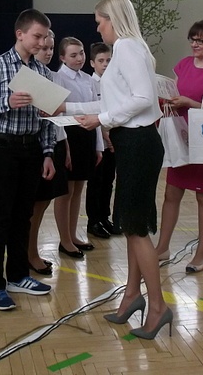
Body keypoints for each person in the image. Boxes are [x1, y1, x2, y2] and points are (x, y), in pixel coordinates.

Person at [62, 0, 173, 339]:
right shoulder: (130, 48)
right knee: (129, 225)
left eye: (100, 22)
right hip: (131, 143)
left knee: (136, 229)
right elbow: (113, 101)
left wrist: (103, 120)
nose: (98, 28)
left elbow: (142, 99)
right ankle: (131, 295)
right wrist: (69, 109)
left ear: (114, 18)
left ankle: (158, 307)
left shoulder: (126, 47)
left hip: (138, 144)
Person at [0, 9, 55, 311]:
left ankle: (18, 276)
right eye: (37, 36)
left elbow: (46, 120)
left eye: (45, 37)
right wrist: (5, 102)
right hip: (0, 148)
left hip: (31, 150)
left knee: (23, 216)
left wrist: (48, 153)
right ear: (20, 34)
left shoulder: (43, 72)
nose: (41, 43)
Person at [155, 20, 203, 273]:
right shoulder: (184, 64)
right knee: (171, 193)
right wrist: (170, 100)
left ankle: (202, 254)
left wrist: (189, 102)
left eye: (201, 40)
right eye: (192, 39)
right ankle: (162, 247)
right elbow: (176, 91)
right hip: (180, 135)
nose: (195, 44)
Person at [53, 37, 103, 255]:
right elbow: (58, 113)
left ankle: (72, 235)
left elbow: (96, 113)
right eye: (73, 55)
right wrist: (65, 145)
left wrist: (98, 146)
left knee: (79, 189)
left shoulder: (88, 79)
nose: (79, 58)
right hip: (69, 135)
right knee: (66, 191)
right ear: (62, 57)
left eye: (81, 53)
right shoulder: (58, 78)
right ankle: (64, 240)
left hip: (87, 134)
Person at [28, 30, 69, 275]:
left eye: (51, 48)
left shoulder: (49, 76)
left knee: (43, 202)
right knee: (34, 205)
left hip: (54, 143)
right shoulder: (30, 77)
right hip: (36, 146)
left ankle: (31, 250)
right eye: (44, 48)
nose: (48, 52)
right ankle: (29, 252)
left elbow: (57, 120)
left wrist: (64, 147)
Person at [88, 42, 119, 236]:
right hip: (99, 139)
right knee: (96, 182)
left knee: (108, 180)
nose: (106, 64)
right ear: (93, 63)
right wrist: (104, 135)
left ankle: (104, 217)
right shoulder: (91, 83)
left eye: (109, 60)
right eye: (101, 61)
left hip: (113, 139)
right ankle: (93, 221)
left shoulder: (114, 83)